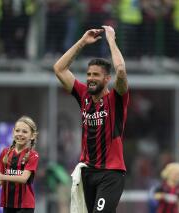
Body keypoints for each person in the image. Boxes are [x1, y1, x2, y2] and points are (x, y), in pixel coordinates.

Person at [53, 25, 129, 212]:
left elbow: (120, 71)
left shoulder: (116, 99)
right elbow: (59, 69)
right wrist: (82, 42)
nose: (90, 78)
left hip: (111, 173)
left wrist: (111, 40)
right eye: (88, 74)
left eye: (96, 75)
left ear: (106, 79)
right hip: (87, 172)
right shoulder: (83, 95)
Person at [0, 115, 39, 213]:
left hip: (25, 205)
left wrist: (3, 177)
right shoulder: (5, 152)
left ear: (32, 136)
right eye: (17, 130)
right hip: (7, 203)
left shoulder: (33, 155)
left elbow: (23, 179)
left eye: (25, 132)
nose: (20, 134)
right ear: (13, 132)